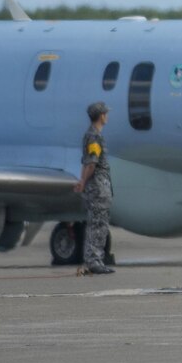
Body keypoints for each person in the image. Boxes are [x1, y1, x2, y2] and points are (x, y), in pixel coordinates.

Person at [74, 101, 115, 275]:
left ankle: (95, 260)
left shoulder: (93, 135)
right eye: (105, 113)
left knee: (98, 223)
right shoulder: (94, 137)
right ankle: (94, 261)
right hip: (98, 187)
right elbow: (91, 163)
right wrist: (83, 181)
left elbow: (88, 162)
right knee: (98, 224)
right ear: (101, 116)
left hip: (98, 185)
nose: (107, 116)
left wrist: (82, 180)